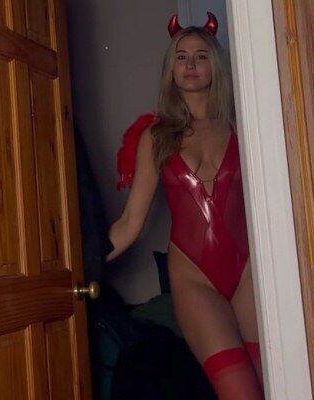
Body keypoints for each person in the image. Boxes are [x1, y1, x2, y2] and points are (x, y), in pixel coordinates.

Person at [106, 12, 265, 400]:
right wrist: (78, 264)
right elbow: (130, 223)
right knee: (241, 391)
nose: (190, 64)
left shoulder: (244, 125)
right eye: (181, 57)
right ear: (171, 69)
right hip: (194, 277)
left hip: (250, 271)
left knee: (279, 379)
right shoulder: (156, 136)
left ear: (215, 65)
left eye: (200, 56)